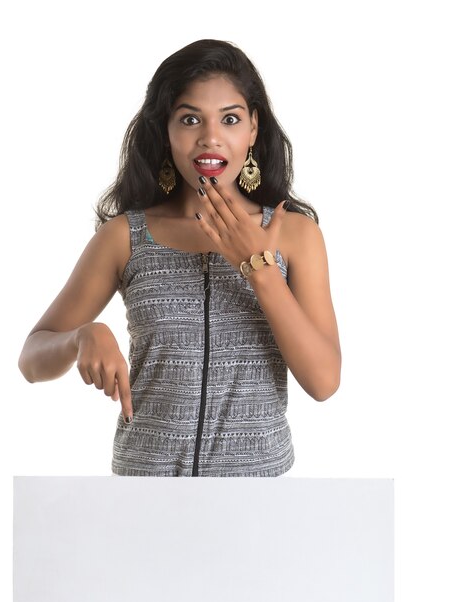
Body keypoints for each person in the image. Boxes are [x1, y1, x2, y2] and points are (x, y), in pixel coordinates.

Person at [18, 39, 341, 477]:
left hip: (258, 505)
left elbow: (324, 382)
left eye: (230, 118)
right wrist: (80, 338)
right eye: (190, 119)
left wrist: (259, 268)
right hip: (146, 496)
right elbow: (32, 359)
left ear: (253, 129)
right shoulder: (126, 237)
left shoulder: (295, 235)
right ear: (166, 132)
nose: (210, 137)